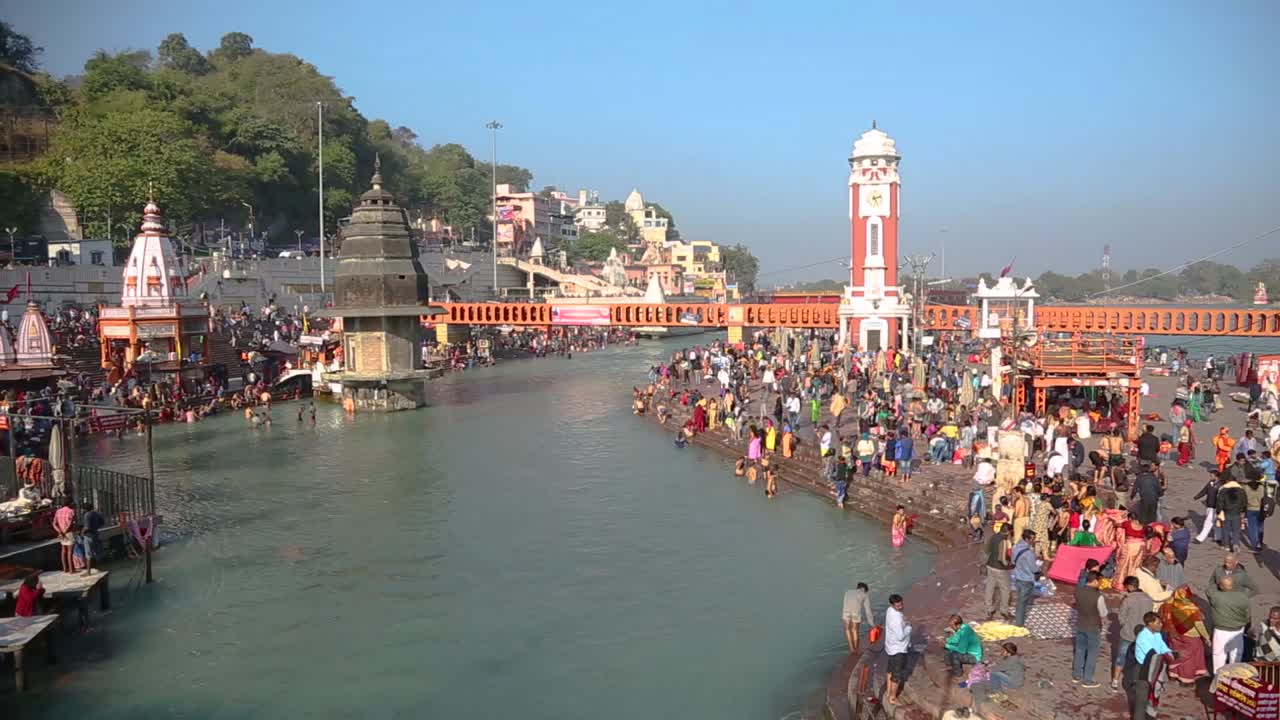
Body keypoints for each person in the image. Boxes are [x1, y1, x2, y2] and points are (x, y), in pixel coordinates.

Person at [1160, 586, 1211, 683]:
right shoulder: (1190, 608)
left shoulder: (1167, 605)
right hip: (1191, 636)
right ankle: (1186, 679)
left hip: (1173, 635)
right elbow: (1199, 624)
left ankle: (1174, 674)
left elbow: (1163, 619)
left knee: (1177, 654)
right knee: (1189, 658)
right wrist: (1206, 637)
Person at [1206, 575, 1251, 671]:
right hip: (1238, 630)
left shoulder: (1216, 596)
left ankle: (1219, 677)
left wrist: (1217, 584)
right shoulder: (1243, 596)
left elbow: (1209, 590)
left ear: (1221, 586)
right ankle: (1233, 676)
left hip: (1221, 630)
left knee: (1219, 655)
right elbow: (1247, 616)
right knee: (1236, 654)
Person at [1073, 570, 1108, 688]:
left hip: (1080, 624)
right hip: (1093, 626)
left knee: (1079, 650)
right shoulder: (1098, 597)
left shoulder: (1078, 591)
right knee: (1092, 653)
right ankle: (1087, 679)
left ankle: (1076, 675)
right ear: (1095, 581)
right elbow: (1103, 613)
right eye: (1100, 581)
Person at [1112, 576, 1147, 691]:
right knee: (1138, 659)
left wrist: (1126, 624)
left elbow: (1121, 618)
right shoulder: (1148, 599)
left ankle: (1115, 681)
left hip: (1127, 633)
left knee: (1121, 657)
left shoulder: (1128, 600)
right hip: (1141, 634)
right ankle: (1134, 681)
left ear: (1130, 586)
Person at [969, 642, 1024, 711]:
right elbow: (1001, 664)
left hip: (1014, 683)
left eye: (1003, 651)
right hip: (1014, 678)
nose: (1001, 652)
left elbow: (994, 668)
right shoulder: (1014, 657)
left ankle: (997, 692)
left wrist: (985, 666)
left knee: (993, 673)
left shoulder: (1011, 661)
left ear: (1009, 653)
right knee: (992, 676)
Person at [884, 594, 912, 706]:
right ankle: (892, 697)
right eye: (898, 605)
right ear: (892, 604)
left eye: (901, 604)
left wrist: (904, 621)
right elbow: (901, 636)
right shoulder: (896, 619)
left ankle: (888, 691)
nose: (900, 607)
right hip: (898, 649)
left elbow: (899, 620)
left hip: (891, 647)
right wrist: (909, 627)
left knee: (890, 670)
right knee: (897, 674)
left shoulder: (889, 610)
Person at [983, 524, 1012, 620]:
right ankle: (1004, 610)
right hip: (1000, 568)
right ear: (1008, 532)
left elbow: (986, 550)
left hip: (990, 565)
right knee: (1005, 589)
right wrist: (1009, 565)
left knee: (990, 587)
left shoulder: (993, 537)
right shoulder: (1005, 541)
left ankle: (989, 608)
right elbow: (1003, 559)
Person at [1011, 529, 1040, 627]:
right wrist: (1039, 570)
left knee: (1019, 600)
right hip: (1026, 579)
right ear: (1027, 539)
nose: (1034, 540)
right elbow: (1033, 568)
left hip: (1018, 577)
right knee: (1022, 602)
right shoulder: (1029, 552)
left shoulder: (1015, 547)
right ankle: (1019, 623)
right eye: (1032, 539)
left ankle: (1018, 619)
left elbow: (1012, 560)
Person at [1216, 474, 1248, 552]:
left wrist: (1219, 511)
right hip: (1237, 512)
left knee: (1225, 529)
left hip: (1226, 511)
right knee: (1236, 529)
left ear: (1227, 481)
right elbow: (1245, 502)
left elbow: (1219, 502)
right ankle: (1236, 544)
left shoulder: (1223, 489)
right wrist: (1243, 511)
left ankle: (1226, 545)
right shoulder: (1241, 490)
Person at [842, 582, 874, 653]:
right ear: (864, 589)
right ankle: (856, 649)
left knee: (847, 630)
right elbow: (868, 611)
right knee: (855, 630)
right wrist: (872, 624)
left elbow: (845, 602)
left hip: (845, 612)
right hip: (856, 613)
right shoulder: (864, 594)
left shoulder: (847, 592)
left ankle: (851, 649)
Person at [52, 497, 77, 573]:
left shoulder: (58, 511)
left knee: (63, 551)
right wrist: (64, 531)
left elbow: (54, 523)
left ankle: (65, 568)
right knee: (70, 551)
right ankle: (71, 569)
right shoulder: (71, 511)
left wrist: (59, 531)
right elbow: (70, 523)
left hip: (61, 533)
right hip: (68, 533)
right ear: (70, 503)